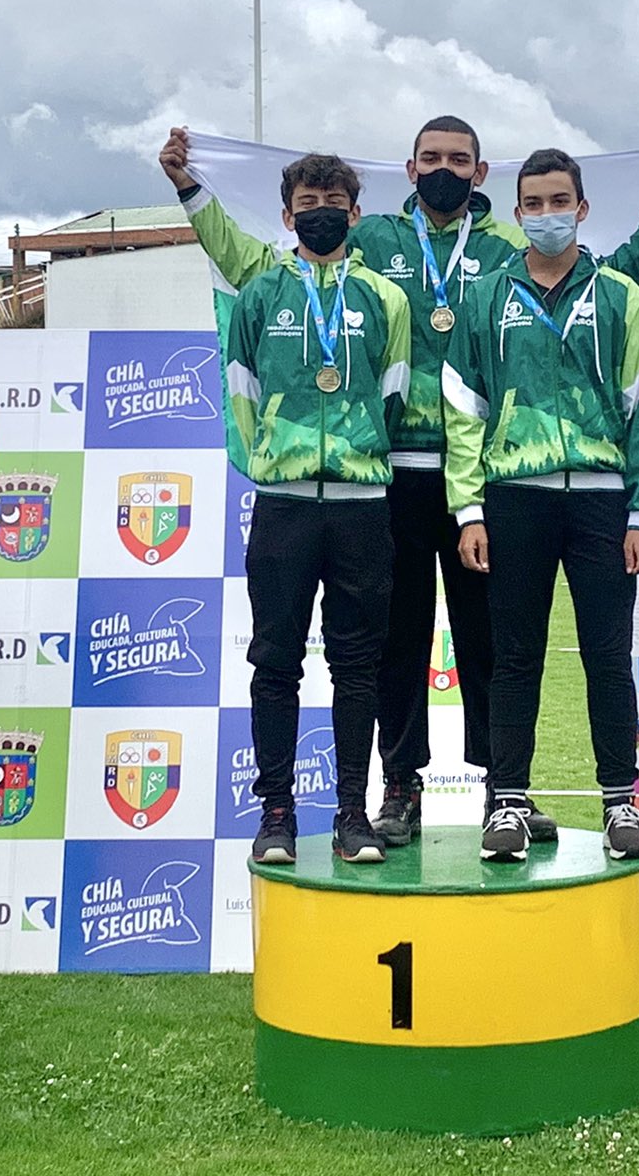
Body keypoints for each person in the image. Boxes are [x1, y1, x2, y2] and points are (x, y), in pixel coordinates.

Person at [160, 122, 639, 845]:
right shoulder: (373, 240)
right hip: (397, 476)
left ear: (480, 172)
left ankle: (499, 789)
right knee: (396, 640)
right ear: (410, 169)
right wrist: (193, 191)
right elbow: (258, 261)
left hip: (486, 480)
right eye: (432, 159)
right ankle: (401, 786)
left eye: (459, 160)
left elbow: (616, 267)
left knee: (491, 640)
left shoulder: (510, 247)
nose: (444, 170)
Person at [442, 148, 639, 863]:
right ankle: (506, 801)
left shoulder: (620, 299)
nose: (547, 215)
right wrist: (468, 509)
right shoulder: (487, 299)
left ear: (583, 208)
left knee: (609, 656)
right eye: (534, 204)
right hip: (514, 498)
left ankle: (619, 804)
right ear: (516, 214)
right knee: (513, 658)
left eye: (559, 201)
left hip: (603, 502)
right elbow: (463, 410)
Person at [223, 154, 412, 863]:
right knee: (275, 662)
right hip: (284, 504)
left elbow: (390, 396)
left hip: (363, 504)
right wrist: (276, 457)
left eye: (335, 198)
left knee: (357, 665)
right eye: (309, 199)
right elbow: (240, 393)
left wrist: (357, 451)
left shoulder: (383, 299)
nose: (322, 208)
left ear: (355, 212)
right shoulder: (259, 297)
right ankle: (276, 815)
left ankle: (352, 815)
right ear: (287, 214)